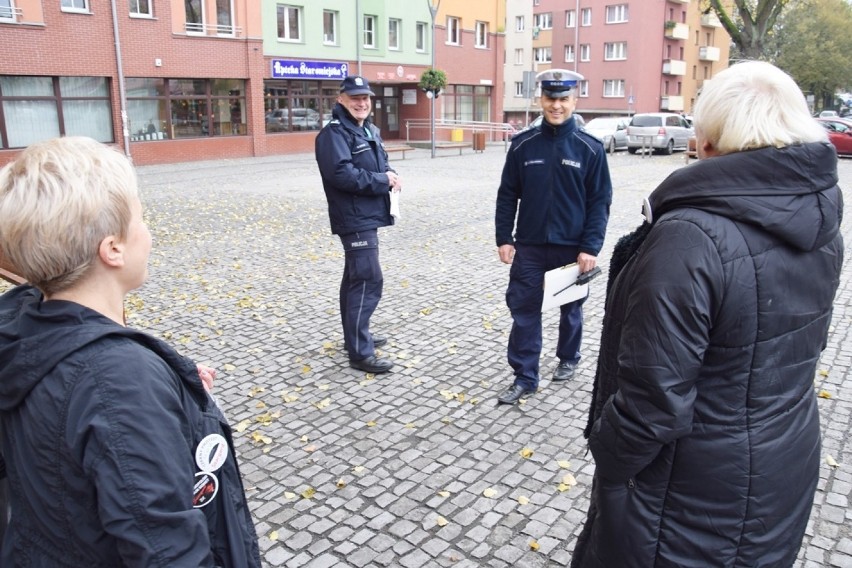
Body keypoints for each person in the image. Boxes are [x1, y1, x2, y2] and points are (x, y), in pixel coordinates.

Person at [572, 61, 844, 567]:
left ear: (712, 140)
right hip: (781, 464)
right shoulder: (818, 216)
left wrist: (608, 455)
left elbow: (652, 402)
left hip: (688, 494)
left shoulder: (690, 237)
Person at [0, 137, 261, 567]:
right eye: (141, 217)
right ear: (113, 249)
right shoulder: (120, 381)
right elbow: (167, 551)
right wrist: (138, 389)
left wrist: (168, 389)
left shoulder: (25, 331)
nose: (149, 232)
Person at [494, 69, 612, 405]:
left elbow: (599, 201)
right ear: (540, 100)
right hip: (529, 247)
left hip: (572, 249)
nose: (556, 106)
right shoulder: (523, 146)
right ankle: (525, 376)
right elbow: (507, 195)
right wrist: (504, 237)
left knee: (570, 309)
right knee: (524, 311)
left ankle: (568, 357)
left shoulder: (589, 149)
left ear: (574, 100)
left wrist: (590, 247)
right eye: (550, 99)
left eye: (563, 99)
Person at [315, 75, 402, 374]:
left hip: (366, 215)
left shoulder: (367, 129)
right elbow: (341, 174)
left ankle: (355, 334)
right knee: (367, 279)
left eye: (365, 98)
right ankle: (360, 353)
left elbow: (381, 162)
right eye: (354, 98)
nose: (361, 102)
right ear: (341, 99)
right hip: (352, 218)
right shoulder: (334, 135)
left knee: (355, 278)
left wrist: (390, 173)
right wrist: (382, 180)